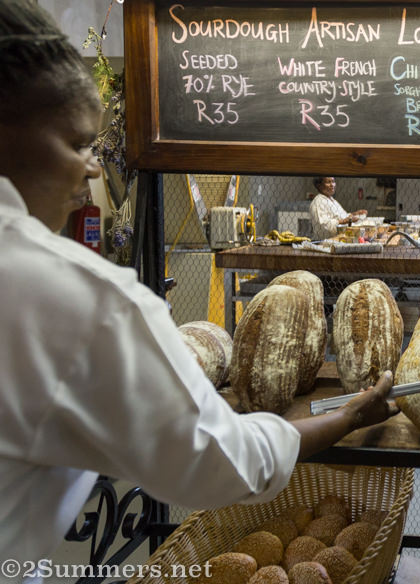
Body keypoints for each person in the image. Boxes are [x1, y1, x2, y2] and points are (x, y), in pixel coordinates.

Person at [0, 1, 398, 572]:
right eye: (79, 144)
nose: (92, 169)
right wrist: (347, 417)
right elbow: (222, 462)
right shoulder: (79, 300)